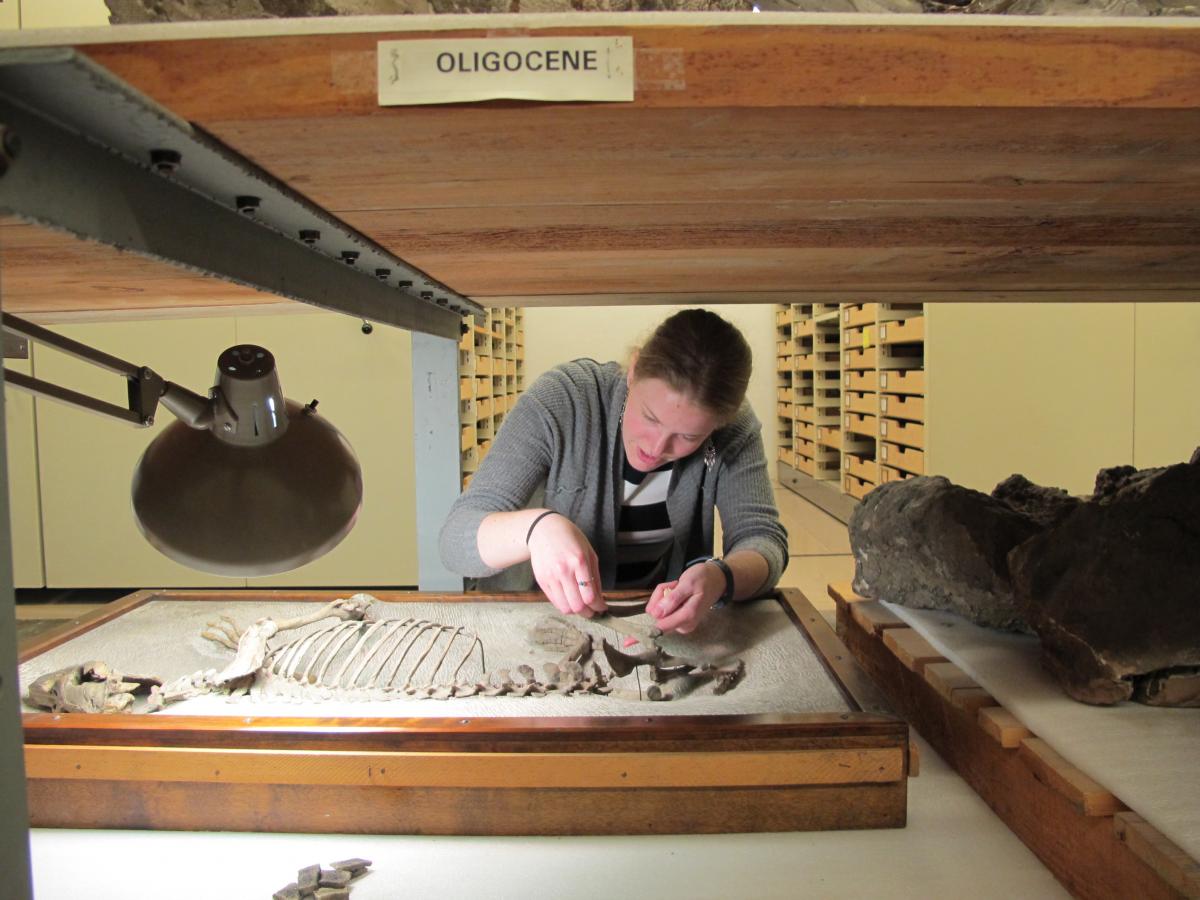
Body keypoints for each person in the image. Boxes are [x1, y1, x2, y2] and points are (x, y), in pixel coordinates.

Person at [438, 308, 788, 635]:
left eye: (688, 436)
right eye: (650, 417)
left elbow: (763, 539)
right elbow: (454, 540)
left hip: (648, 623)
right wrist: (536, 529)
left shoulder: (734, 428)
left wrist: (721, 577)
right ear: (633, 371)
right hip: (536, 619)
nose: (656, 447)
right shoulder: (565, 399)